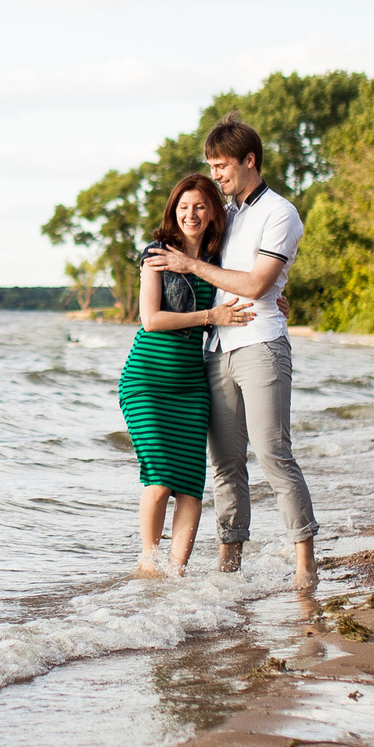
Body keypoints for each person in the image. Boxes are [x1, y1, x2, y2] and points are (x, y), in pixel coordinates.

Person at [150, 115, 319, 587]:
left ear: (250, 161)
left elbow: (258, 282)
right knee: (225, 464)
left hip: (261, 345)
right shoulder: (229, 215)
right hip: (217, 349)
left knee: (272, 453)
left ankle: (305, 559)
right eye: (212, 165)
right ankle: (230, 561)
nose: (217, 174)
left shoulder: (280, 212)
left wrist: (191, 266)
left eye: (222, 165)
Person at [116, 173, 254, 576]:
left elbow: (248, 287)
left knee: (191, 486)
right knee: (159, 479)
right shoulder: (156, 254)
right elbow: (152, 319)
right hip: (148, 377)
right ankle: (148, 562)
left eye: (199, 207)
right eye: (183, 207)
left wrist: (275, 298)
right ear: (173, 212)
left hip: (193, 383)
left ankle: (175, 573)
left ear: (212, 212)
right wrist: (211, 315)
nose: (190, 214)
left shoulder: (220, 260)